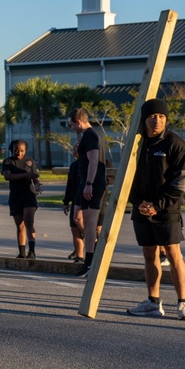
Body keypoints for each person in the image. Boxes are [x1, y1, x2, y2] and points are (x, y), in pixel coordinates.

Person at [125, 99, 185, 321]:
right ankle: (153, 302)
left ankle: (183, 303)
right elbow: (128, 179)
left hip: (167, 209)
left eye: (162, 117)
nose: (157, 121)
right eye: (152, 117)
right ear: (144, 119)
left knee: (173, 254)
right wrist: (139, 203)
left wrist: (157, 205)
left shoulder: (175, 143)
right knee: (149, 254)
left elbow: (181, 182)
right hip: (142, 208)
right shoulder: (138, 143)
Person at [68, 108, 108, 273]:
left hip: (93, 184)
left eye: (71, 125)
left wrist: (89, 183)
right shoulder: (88, 136)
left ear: (78, 122)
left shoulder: (90, 135)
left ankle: (90, 262)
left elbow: (94, 161)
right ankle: (89, 260)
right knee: (83, 221)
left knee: (90, 224)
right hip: (87, 182)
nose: (71, 129)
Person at [1, 139, 41, 259]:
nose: (19, 153)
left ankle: (32, 251)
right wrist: (25, 175)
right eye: (16, 151)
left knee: (29, 222)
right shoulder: (8, 161)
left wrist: (37, 184)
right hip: (15, 196)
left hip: (29, 195)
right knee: (20, 225)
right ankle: (22, 252)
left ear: (26, 150)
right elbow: (7, 176)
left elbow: (35, 177)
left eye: (22, 151)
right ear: (11, 150)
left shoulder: (30, 161)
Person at [62, 150, 85, 263]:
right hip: (76, 200)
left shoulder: (96, 163)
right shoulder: (74, 166)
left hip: (90, 202)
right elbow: (70, 185)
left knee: (94, 230)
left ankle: (95, 251)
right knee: (75, 229)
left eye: (78, 147)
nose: (75, 150)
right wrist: (66, 202)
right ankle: (79, 256)